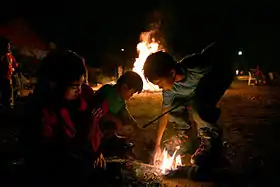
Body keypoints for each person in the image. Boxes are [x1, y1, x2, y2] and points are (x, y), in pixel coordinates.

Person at [143, 41, 234, 174]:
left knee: (199, 101)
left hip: (220, 75)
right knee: (172, 106)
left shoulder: (194, 66)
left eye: (159, 83)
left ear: (172, 72)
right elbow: (164, 113)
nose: (159, 87)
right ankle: (183, 136)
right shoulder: (169, 91)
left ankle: (210, 142)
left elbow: (218, 62)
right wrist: (157, 145)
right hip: (199, 91)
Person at [20, 50, 107, 186]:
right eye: (74, 86)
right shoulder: (40, 110)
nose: (79, 90)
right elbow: (46, 151)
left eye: (81, 84)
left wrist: (95, 150)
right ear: (54, 84)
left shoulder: (82, 100)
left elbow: (92, 129)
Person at [94, 71, 143, 157]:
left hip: (107, 130)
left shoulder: (120, 98)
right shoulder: (109, 92)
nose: (131, 96)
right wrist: (115, 121)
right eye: (131, 93)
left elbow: (124, 112)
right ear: (124, 87)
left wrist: (134, 124)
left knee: (128, 129)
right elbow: (96, 112)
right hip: (96, 130)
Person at [0, 37, 18, 108]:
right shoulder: (3, 56)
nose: (8, 47)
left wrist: (13, 69)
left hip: (8, 78)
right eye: (7, 45)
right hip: (3, 78)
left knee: (8, 93)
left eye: (9, 45)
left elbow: (14, 65)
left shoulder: (10, 56)